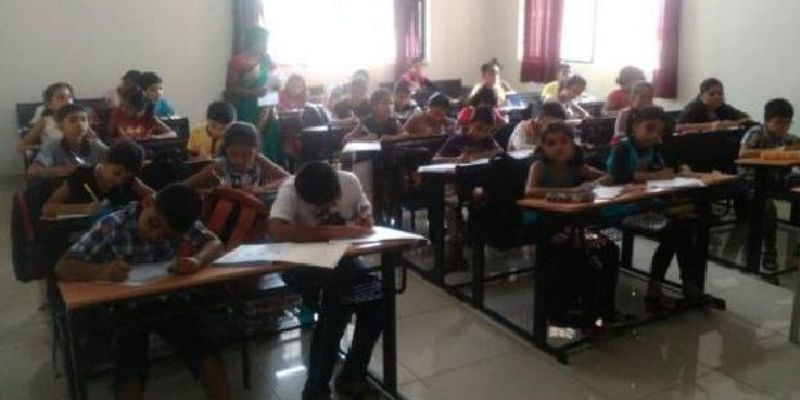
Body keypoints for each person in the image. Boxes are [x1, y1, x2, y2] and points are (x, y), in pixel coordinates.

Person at [55, 183, 231, 400]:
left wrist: (197, 260)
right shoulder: (113, 225)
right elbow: (63, 267)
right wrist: (102, 271)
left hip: (165, 299)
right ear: (147, 202)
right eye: (154, 224)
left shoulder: (178, 218)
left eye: (167, 234)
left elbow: (214, 243)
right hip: (122, 308)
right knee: (130, 361)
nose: (156, 236)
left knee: (203, 348)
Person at [269, 161, 383, 400]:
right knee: (337, 304)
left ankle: (352, 374)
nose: (329, 206)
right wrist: (337, 232)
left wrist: (366, 215)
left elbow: (364, 210)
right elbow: (277, 230)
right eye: (319, 205)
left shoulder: (349, 180)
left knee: (377, 299)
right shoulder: (290, 187)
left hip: (342, 261)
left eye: (332, 200)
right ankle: (316, 390)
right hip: (300, 264)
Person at [606, 106, 701, 310]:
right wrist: (655, 176)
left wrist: (679, 171)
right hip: (620, 206)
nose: (654, 135)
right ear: (634, 127)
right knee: (674, 232)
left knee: (685, 227)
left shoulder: (653, 149)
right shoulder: (622, 148)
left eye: (659, 131)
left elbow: (665, 168)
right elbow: (617, 177)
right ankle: (655, 286)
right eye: (649, 129)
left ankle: (686, 282)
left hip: (645, 203)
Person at [739, 98, 800, 270]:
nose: (784, 127)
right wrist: (776, 152)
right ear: (767, 121)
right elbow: (743, 154)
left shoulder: (786, 137)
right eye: (779, 122)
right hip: (751, 181)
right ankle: (769, 251)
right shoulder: (757, 132)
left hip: (776, 180)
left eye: (787, 123)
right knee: (768, 209)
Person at [42, 140, 154, 218]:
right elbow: (47, 208)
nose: (119, 181)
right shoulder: (81, 176)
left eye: (125, 178)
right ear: (105, 161)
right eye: (116, 173)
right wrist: (84, 209)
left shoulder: (131, 182)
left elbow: (156, 200)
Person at [187, 122, 289, 191]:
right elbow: (188, 184)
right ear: (225, 150)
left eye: (247, 154)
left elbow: (289, 179)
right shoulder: (221, 165)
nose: (240, 160)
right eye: (234, 154)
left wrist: (263, 188)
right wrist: (215, 190)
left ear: (256, 151)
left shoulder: (259, 161)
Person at [27, 104, 108, 179]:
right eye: (73, 121)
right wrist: (72, 170)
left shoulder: (96, 146)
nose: (80, 124)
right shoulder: (52, 147)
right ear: (60, 126)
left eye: (83, 120)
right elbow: (33, 171)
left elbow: (113, 161)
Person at [226, 27, 274, 124]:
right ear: (253, 41)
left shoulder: (266, 59)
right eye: (263, 42)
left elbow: (271, 83)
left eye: (266, 42)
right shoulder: (238, 61)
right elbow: (230, 90)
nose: (266, 46)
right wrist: (253, 93)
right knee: (247, 132)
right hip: (245, 108)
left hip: (265, 108)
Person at [676, 78, 751, 133]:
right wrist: (711, 126)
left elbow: (747, 119)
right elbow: (678, 127)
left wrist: (729, 124)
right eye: (712, 94)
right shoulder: (693, 108)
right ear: (701, 96)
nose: (717, 97)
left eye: (720, 94)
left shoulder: (723, 107)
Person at [434, 106, 502, 163]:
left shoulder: (488, 139)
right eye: (478, 128)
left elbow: (499, 151)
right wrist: (457, 160)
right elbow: (435, 160)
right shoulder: (456, 140)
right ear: (470, 123)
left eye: (487, 131)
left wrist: (474, 156)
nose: (481, 134)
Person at [19, 82, 74, 151]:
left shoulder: (80, 119)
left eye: (70, 97)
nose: (68, 101)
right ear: (49, 104)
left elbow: (87, 141)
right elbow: (21, 146)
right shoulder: (45, 121)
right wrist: (43, 148)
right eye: (61, 98)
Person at [108, 88, 175, 141]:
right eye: (123, 105)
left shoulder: (149, 117)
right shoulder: (117, 114)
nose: (124, 109)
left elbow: (172, 134)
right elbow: (110, 136)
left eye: (129, 108)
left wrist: (157, 137)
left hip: (145, 148)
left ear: (141, 110)